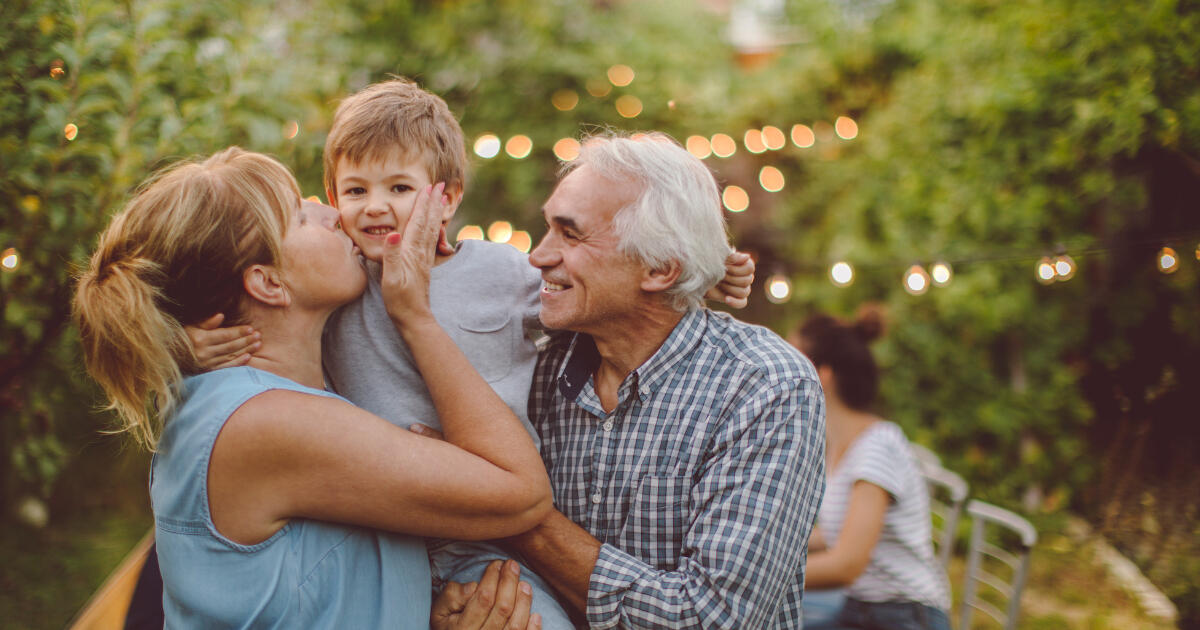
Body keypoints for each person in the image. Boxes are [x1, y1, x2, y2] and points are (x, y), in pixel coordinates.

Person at [188, 78, 756, 629]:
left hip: (488, 535)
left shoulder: (499, 273)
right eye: (356, 191)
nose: (375, 207)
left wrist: (701, 270)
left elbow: (597, 290)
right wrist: (187, 343)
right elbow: (238, 321)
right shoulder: (343, 280)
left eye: (399, 188)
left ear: (448, 197)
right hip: (386, 522)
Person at [73, 147, 552, 628]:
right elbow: (522, 494)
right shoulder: (263, 422)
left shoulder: (242, 403)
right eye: (300, 216)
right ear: (268, 283)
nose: (332, 214)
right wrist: (413, 314)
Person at [497, 131, 826, 628]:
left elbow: (709, 619)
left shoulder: (764, 385)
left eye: (570, 234)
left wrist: (509, 508)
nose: (538, 257)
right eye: (548, 229)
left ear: (659, 268)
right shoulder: (534, 359)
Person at [791, 309, 952, 630]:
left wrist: (757, 575)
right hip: (861, 609)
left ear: (821, 375)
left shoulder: (877, 446)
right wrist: (770, 541)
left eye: (788, 360)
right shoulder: (839, 445)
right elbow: (837, 532)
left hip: (903, 616)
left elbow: (846, 565)